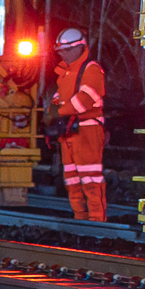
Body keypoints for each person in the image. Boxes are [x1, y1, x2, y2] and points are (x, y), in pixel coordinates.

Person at [50, 27, 108, 221]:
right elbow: (60, 97)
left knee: (90, 178)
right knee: (72, 179)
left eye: (66, 50)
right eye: (60, 51)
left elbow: (85, 99)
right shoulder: (65, 73)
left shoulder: (91, 69)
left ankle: (97, 221)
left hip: (87, 130)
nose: (63, 54)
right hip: (69, 131)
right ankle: (80, 219)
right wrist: (53, 111)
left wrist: (58, 112)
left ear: (79, 48)